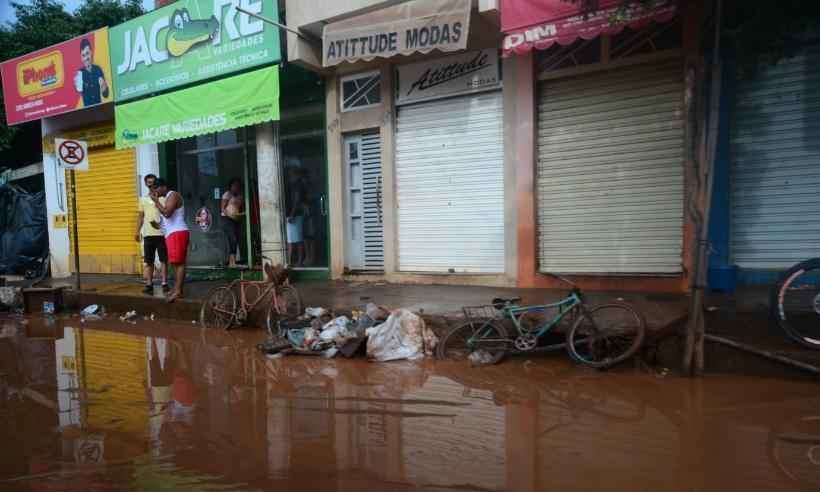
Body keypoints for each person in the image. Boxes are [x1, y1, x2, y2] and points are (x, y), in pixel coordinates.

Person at [151, 179, 189, 303]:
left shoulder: (173, 195)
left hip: (178, 233)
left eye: (157, 187)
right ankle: (177, 289)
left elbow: (167, 213)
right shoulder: (168, 197)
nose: (155, 191)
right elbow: (166, 220)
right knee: (175, 263)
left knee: (180, 263)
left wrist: (156, 202)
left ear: (164, 187)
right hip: (172, 234)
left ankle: (178, 291)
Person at [136, 174, 169, 295]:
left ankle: (164, 283)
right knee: (148, 261)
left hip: (161, 234)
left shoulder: (163, 198)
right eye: (148, 182)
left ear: (156, 184)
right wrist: (137, 231)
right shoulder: (143, 199)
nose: (151, 185)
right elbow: (140, 217)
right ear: (145, 184)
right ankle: (149, 284)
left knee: (164, 260)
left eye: (153, 182)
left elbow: (167, 215)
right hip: (148, 235)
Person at [76, 37, 109, 107]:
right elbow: (79, 91)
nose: (86, 58)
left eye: (87, 53)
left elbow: (106, 95)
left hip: (100, 108)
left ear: (91, 52)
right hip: (88, 112)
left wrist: (104, 87)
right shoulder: (79, 74)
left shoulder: (98, 69)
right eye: (83, 55)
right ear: (81, 57)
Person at [220, 178, 245, 267]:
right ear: (231, 186)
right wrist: (230, 214)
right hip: (227, 219)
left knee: (237, 239)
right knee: (232, 239)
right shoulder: (227, 194)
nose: (236, 187)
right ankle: (232, 262)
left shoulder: (240, 196)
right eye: (234, 185)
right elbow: (222, 208)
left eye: (238, 185)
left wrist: (240, 215)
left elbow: (241, 208)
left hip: (237, 219)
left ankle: (232, 262)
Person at [285, 168, 306, 266]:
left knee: (297, 239)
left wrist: (292, 214)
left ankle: (299, 261)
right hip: (291, 215)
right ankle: (291, 261)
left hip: (295, 215)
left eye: (291, 174)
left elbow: (297, 201)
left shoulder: (297, 185)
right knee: (292, 240)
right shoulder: (291, 185)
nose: (290, 177)